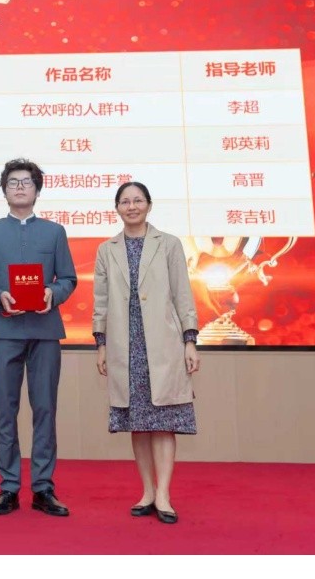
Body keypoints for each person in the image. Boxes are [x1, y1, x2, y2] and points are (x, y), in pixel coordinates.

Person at [0, 158, 77, 517]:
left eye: (26, 182)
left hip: (45, 331)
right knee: (5, 410)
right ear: (4, 190)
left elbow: (68, 279)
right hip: (5, 331)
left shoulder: (54, 232)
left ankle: (43, 487)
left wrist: (52, 293)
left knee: (45, 409)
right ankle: (8, 487)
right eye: (13, 182)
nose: (19, 187)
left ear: (37, 190)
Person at [92, 181, 201, 525]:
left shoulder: (168, 244)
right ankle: (147, 492)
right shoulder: (106, 249)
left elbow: (182, 293)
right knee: (138, 424)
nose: (132, 206)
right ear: (117, 208)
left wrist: (190, 340)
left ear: (149, 205)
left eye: (138, 200)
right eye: (125, 201)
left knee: (163, 423)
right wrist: (101, 344)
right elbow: (101, 301)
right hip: (125, 346)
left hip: (164, 344)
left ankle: (164, 494)